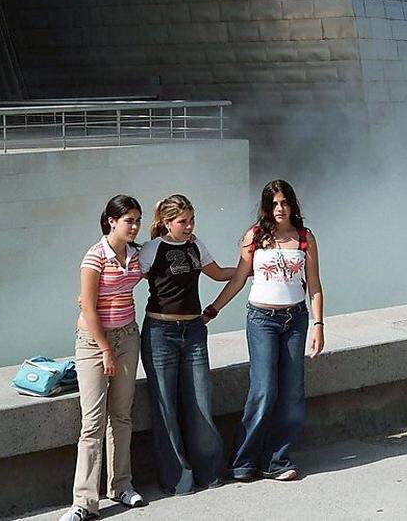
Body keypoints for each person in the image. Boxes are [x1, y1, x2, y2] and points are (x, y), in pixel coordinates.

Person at [204, 179, 324, 482]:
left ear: (293, 205)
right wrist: (213, 309)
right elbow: (239, 278)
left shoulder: (305, 238)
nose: (280, 209)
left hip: (295, 320)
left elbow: (315, 286)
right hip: (262, 320)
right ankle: (243, 461)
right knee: (264, 390)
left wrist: (318, 325)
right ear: (266, 207)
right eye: (274, 204)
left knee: (293, 393)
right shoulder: (255, 236)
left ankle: (276, 460)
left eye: (284, 203)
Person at [139, 194, 236, 494]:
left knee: (201, 403)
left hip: (194, 331)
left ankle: (209, 472)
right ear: (167, 223)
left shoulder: (196, 245)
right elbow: (128, 278)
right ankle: (178, 479)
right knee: (165, 406)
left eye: (192, 220)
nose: (189, 226)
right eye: (183, 222)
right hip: (160, 333)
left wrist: (250, 267)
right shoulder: (153, 248)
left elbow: (218, 274)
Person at [60, 195, 147, 521]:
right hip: (95, 342)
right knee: (93, 421)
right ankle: (83, 502)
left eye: (138, 220)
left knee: (122, 414)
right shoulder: (94, 257)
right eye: (129, 221)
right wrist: (105, 350)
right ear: (111, 221)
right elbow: (87, 306)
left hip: (127, 335)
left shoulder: (137, 254)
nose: (135, 226)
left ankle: (121, 485)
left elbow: (164, 261)